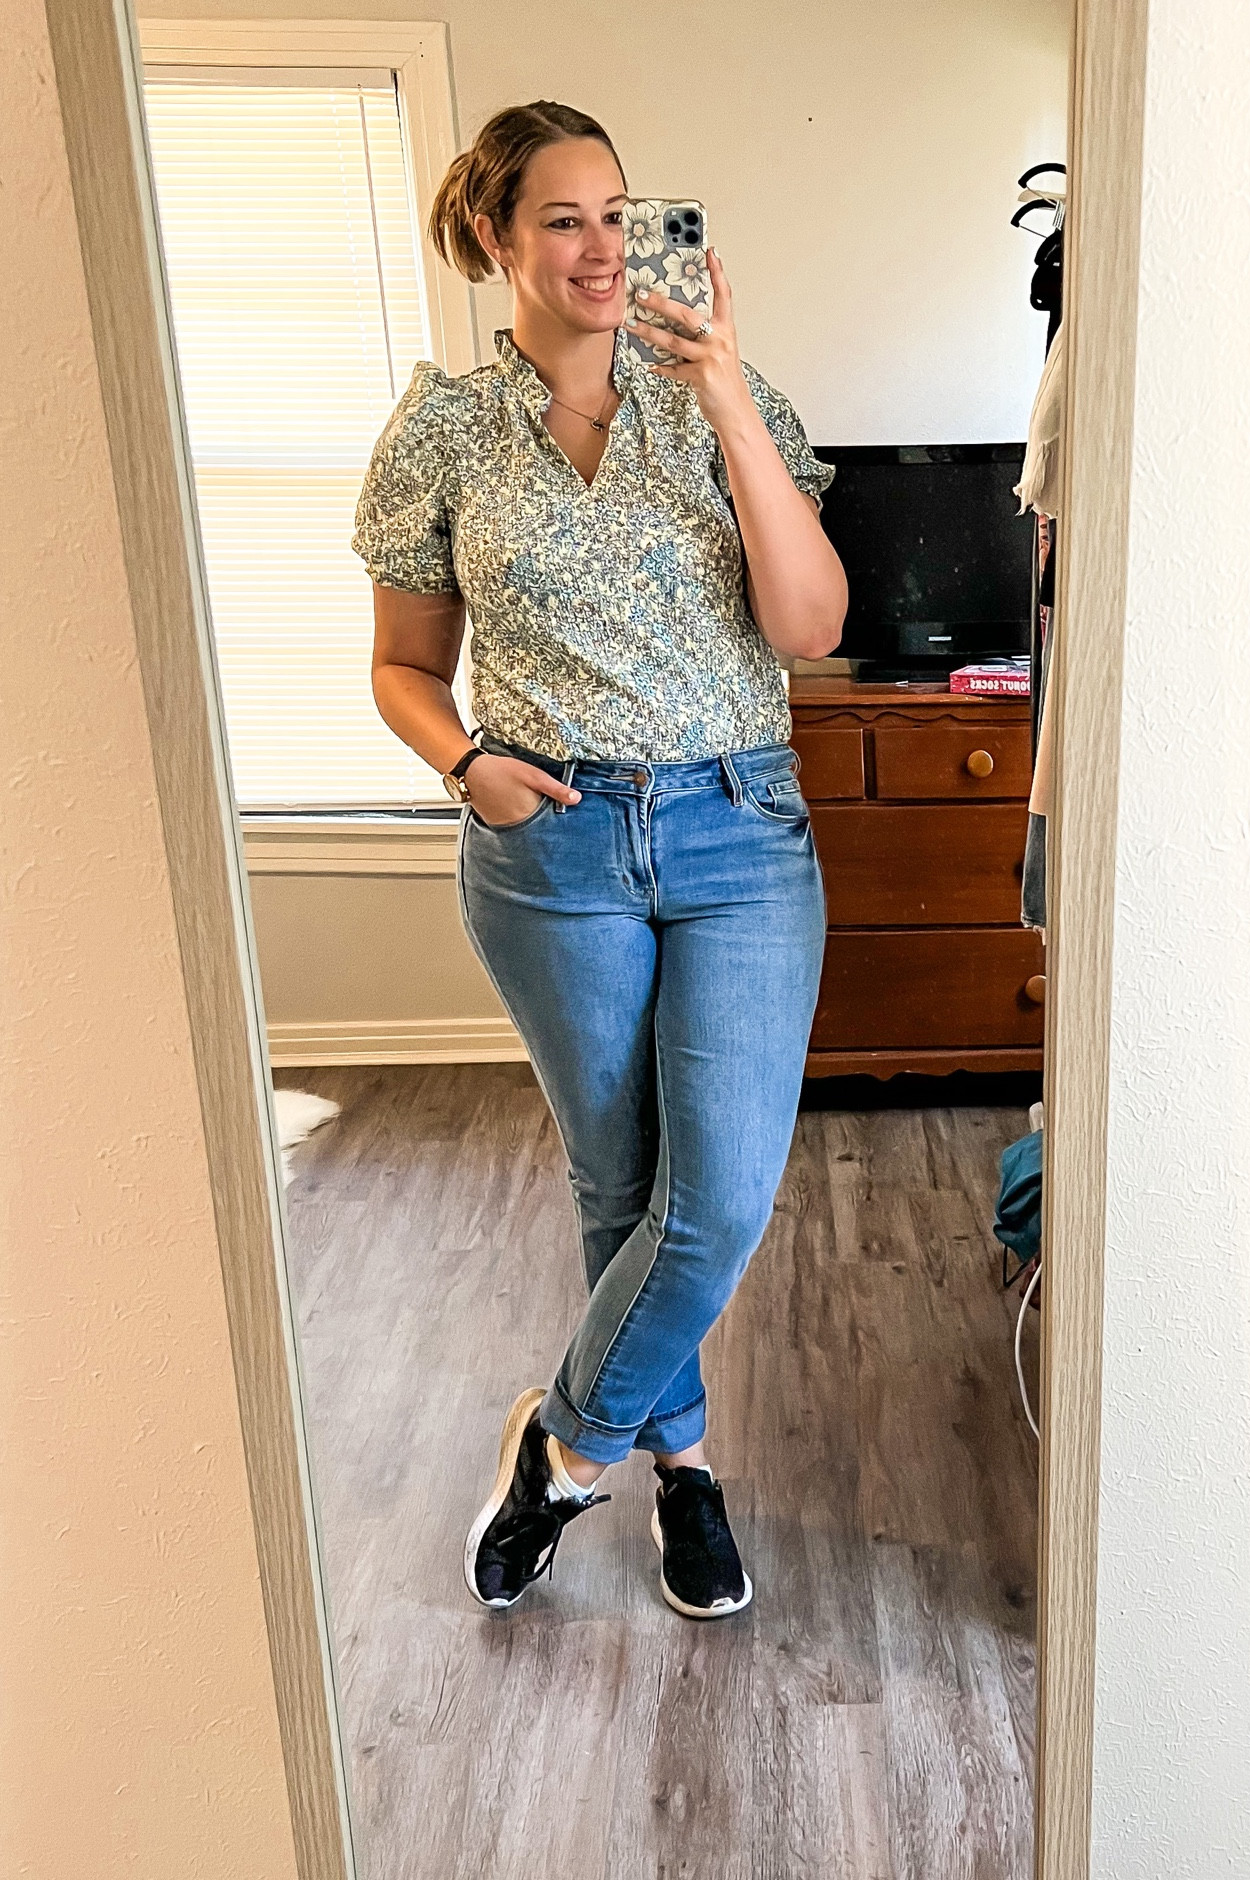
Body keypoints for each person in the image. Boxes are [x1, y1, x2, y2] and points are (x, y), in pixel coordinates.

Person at [353, 100, 846, 1619]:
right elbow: (402, 667)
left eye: (621, 214)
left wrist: (728, 401)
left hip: (736, 828)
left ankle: (564, 1452)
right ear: (494, 236)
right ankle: (684, 1474)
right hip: (551, 843)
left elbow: (810, 627)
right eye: (563, 219)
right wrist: (465, 766)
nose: (603, 248)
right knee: (621, 1182)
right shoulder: (442, 431)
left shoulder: (722, 397)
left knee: (721, 1198)